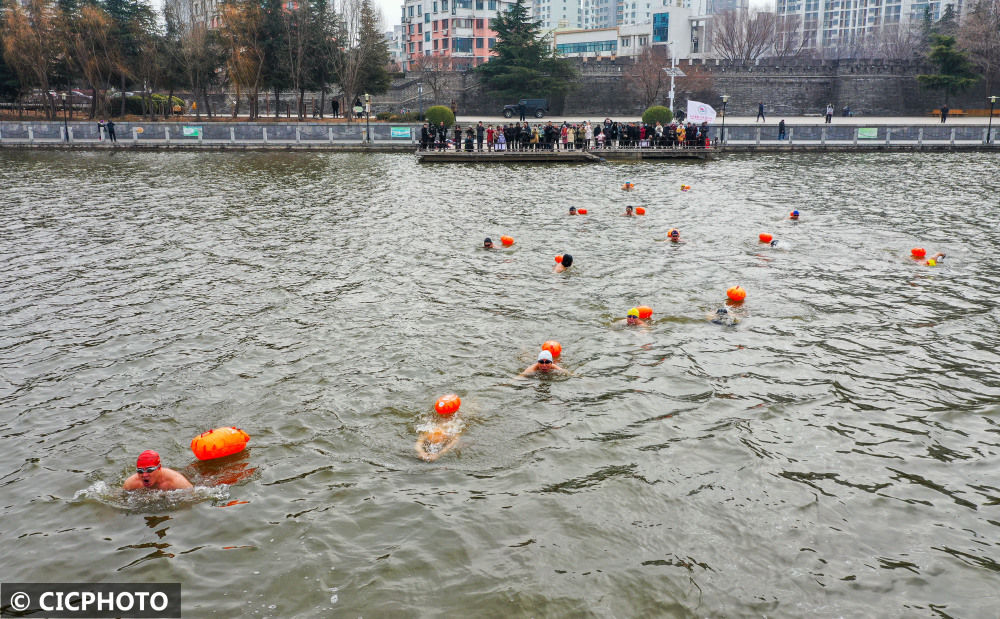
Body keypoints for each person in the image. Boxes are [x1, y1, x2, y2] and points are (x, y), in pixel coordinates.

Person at [122, 450, 193, 490]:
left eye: (149, 470)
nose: (144, 475)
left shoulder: (177, 482)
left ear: (159, 468)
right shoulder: (130, 483)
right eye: (140, 471)